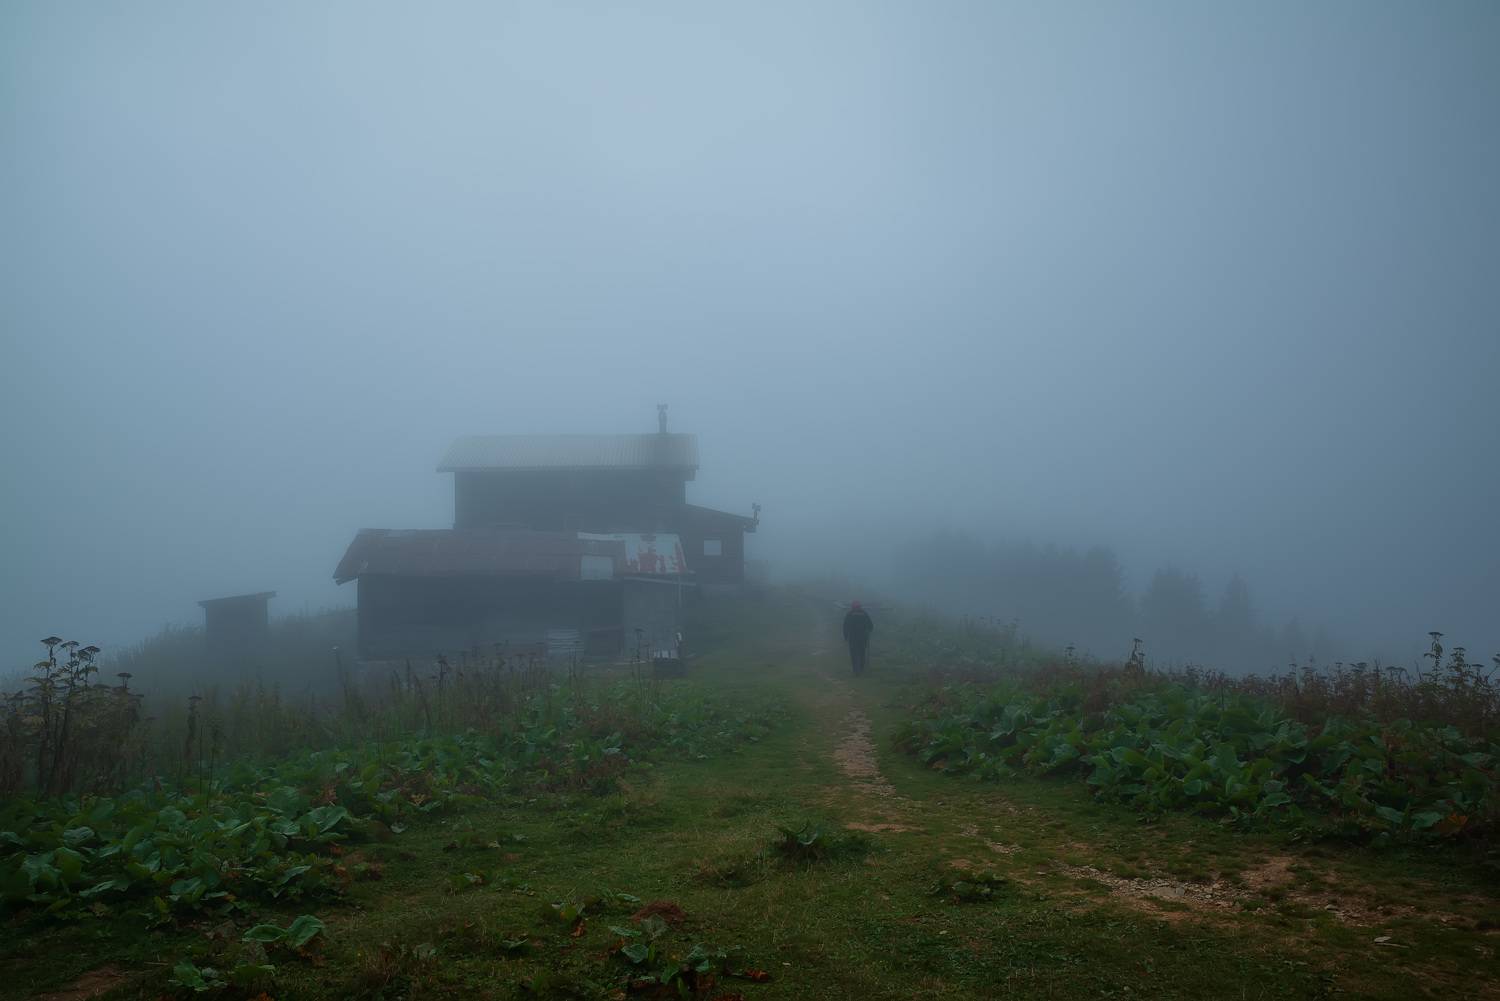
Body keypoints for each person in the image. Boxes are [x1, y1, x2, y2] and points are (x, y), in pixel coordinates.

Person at [842, 601, 874, 676]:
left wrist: (845, 636)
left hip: (853, 638)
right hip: (863, 638)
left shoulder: (849, 614)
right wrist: (868, 630)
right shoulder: (864, 614)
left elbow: (845, 626)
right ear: (860, 607)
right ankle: (861, 668)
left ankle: (855, 670)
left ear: (852, 607)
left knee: (853, 654)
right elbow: (870, 625)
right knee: (862, 653)